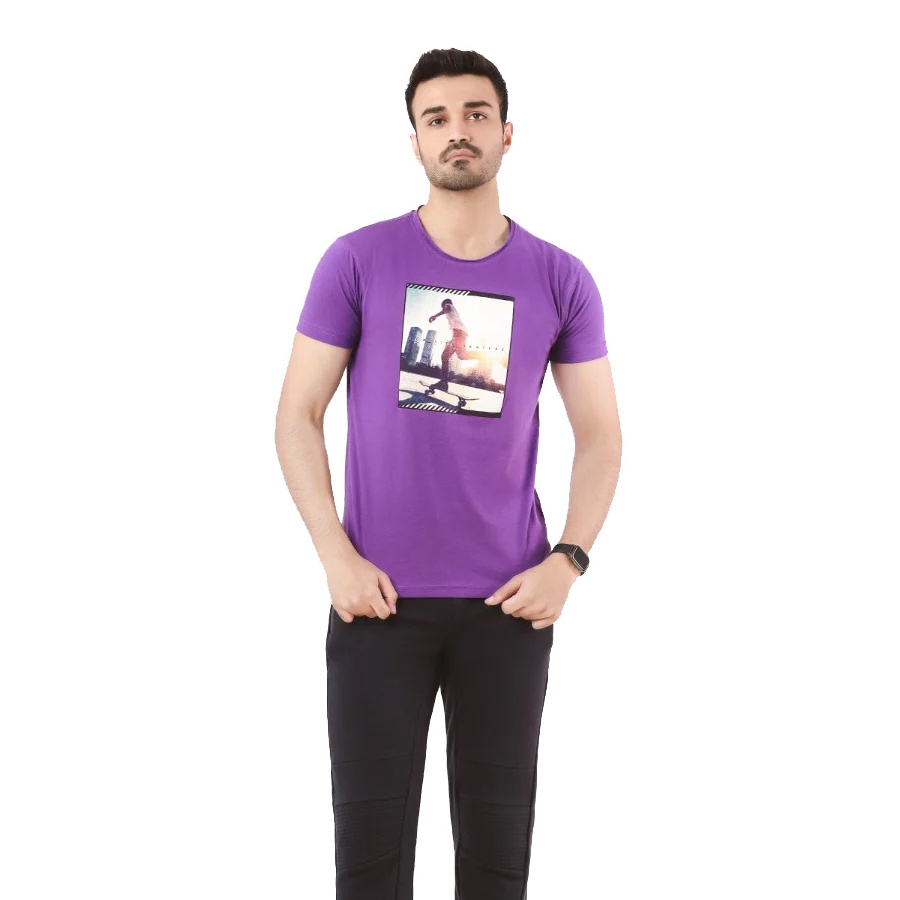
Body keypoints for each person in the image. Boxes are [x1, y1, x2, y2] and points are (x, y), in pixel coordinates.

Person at [275, 47, 622, 900]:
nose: (457, 131)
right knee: (368, 866)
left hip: (509, 605)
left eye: (475, 114)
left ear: (506, 133)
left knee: (497, 865)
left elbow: (601, 435)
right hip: (375, 601)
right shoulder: (357, 260)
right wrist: (335, 556)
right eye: (437, 118)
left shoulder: (560, 276)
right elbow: (296, 416)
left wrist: (569, 559)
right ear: (415, 141)